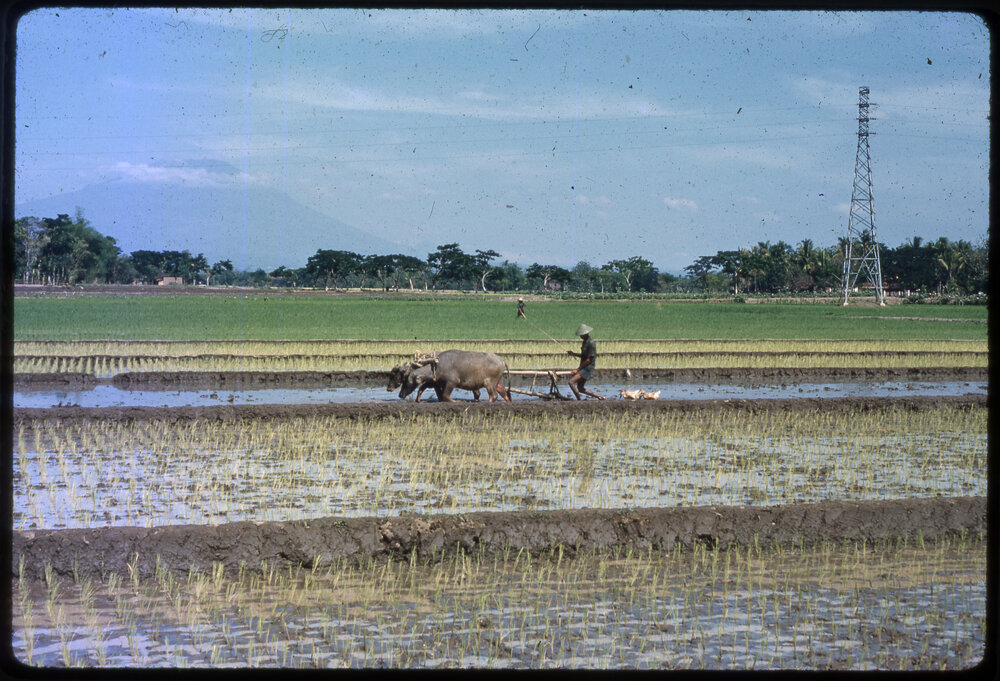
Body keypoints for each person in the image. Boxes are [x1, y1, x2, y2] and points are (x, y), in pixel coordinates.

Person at [567, 323, 605, 400]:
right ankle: (599, 396)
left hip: (587, 368)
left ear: (585, 334)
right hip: (584, 367)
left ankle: (579, 400)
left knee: (571, 382)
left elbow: (588, 359)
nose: (580, 336)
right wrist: (573, 354)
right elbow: (584, 356)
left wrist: (578, 370)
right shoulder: (585, 342)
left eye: (581, 335)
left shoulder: (591, 343)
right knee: (580, 388)